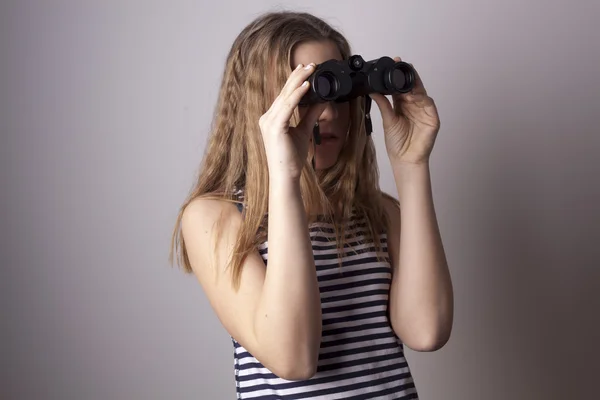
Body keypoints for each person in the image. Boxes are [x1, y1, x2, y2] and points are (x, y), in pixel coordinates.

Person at [170, 10, 453, 399]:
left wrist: (412, 165)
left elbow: (427, 331)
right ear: (263, 106)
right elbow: (293, 358)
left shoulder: (379, 214)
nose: (329, 113)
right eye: (309, 92)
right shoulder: (215, 218)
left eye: (339, 92)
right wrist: (284, 179)